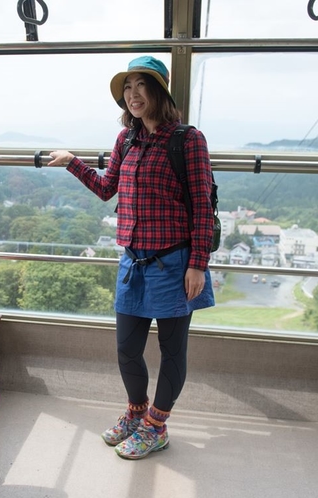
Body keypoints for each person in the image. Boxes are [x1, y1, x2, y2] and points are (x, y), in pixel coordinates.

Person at [48, 55, 215, 460]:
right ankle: (136, 412)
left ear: (159, 91)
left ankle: (156, 426)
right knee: (126, 348)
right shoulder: (127, 140)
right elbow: (108, 189)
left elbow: (203, 205)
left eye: (141, 85)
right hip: (133, 263)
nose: (133, 94)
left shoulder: (187, 139)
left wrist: (198, 264)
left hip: (175, 264)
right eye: (128, 87)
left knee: (173, 351)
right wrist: (73, 162)